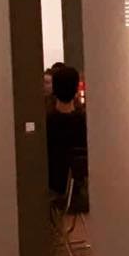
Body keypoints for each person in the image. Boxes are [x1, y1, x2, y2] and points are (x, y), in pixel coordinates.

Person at [46, 64, 87, 196]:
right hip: (78, 185)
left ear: (54, 89)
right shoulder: (84, 122)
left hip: (52, 183)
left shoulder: (47, 123)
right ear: (75, 90)